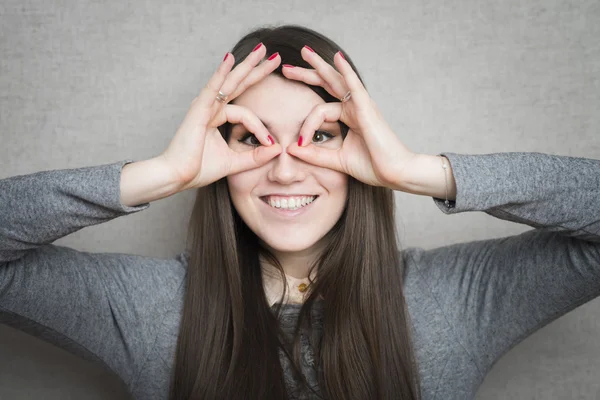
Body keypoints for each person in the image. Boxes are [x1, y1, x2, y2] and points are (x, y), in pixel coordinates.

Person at [0, 24, 598, 400]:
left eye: (319, 136)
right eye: (253, 138)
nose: (285, 169)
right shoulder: (152, 310)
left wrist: (418, 170)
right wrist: (160, 174)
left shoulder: (454, 300)